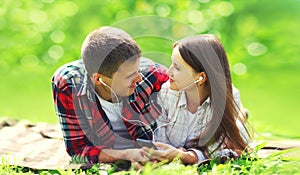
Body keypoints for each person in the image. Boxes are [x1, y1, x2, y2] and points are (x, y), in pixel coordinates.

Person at [51, 26, 169, 164]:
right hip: (109, 148)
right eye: (130, 76)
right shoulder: (69, 84)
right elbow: (78, 150)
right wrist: (126, 155)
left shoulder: (153, 75)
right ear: (99, 80)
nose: (139, 79)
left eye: (138, 69)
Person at [143, 34, 251, 164]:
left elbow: (220, 148)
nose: (168, 72)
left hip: (228, 113)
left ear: (201, 78)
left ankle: (241, 114)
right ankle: (242, 114)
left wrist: (186, 156)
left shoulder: (226, 98)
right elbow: (160, 140)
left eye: (177, 67)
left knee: (237, 124)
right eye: (171, 64)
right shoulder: (167, 92)